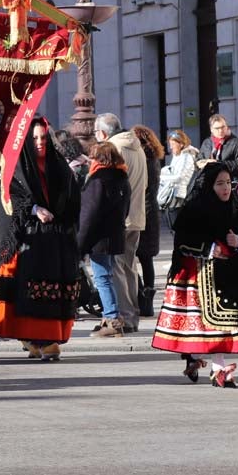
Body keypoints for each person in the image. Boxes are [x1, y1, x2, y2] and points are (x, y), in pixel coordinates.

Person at [152, 163, 238, 387]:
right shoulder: (195, 208)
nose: (226, 188)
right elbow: (183, 241)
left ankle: (195, 358)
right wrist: (208, 248)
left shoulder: (234, 208)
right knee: (208, 326)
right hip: (198, 278)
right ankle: (218, 367)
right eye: (220, 184)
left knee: (214, 326)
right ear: (209, 185)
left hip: (227, 277)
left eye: (228, 183)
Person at [0, 118, 81, 360]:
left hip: (58, 239)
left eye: (43, 138)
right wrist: (33, 209)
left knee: (55, 292)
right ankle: (40, 339)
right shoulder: (15, 167)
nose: (40, 143)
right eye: (34, 139)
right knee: (31, 293)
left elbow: (72, 198)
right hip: (28, 240)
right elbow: (9, 196)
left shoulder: (59, 165)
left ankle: (46, 338)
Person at [94, 113, 147, 333]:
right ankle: (132, 316)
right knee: (129, 267)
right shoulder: (137, 146)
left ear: (104, 133)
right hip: (136, 215)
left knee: (116, 268)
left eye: (97, 133)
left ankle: (123, 317)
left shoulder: (113, 148)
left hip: (120, 218)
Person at [76, 141, 131, 338]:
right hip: (113, 235)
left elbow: (88, 215)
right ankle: (109, 318)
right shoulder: (122, 177)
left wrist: (80, 244)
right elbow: (126, 209)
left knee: (102, 278)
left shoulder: (98, 179)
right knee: (107, 276)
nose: (90, 160)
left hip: (98, 238)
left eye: (93, 157)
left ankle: (112, 318)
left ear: (99, 159)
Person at [132, 125, 164, 317]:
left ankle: (142, 296)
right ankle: (148, 300)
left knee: (128, 258)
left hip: (140, 210)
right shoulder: (154, 157)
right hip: (152, 210)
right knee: (146, 259)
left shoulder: (141, 156)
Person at [157, 130, 199, 229]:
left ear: (181, 144)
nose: (170, 147)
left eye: (172, 144)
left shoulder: (186, 157)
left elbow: (180, 176)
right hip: (173, 195)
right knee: (173, 226)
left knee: (177, 227)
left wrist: (161, 177)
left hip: (179, 197)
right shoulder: (178, 156)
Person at [199, 114, 238, 186]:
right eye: (217, 128)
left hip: (229, 184)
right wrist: (202, 163)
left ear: (227, 127)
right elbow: (199, 159)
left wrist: (218, 163)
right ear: (211, 129)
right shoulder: (207, 143)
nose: (220, 130)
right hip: (209, 183)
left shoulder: (236, 143)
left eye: (223, 127)